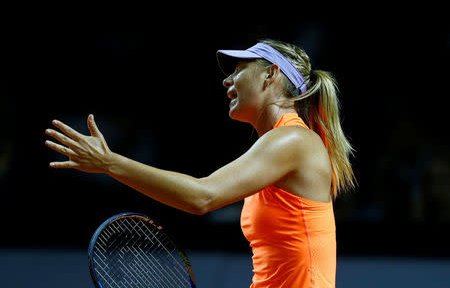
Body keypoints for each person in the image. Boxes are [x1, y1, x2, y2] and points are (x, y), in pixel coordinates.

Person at [45, 39, 356, 288]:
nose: (227, 80)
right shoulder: (280, 144)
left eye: (238, 69)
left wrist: (110, 163)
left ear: (271, 74)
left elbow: (201, 196)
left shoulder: (293, 140)